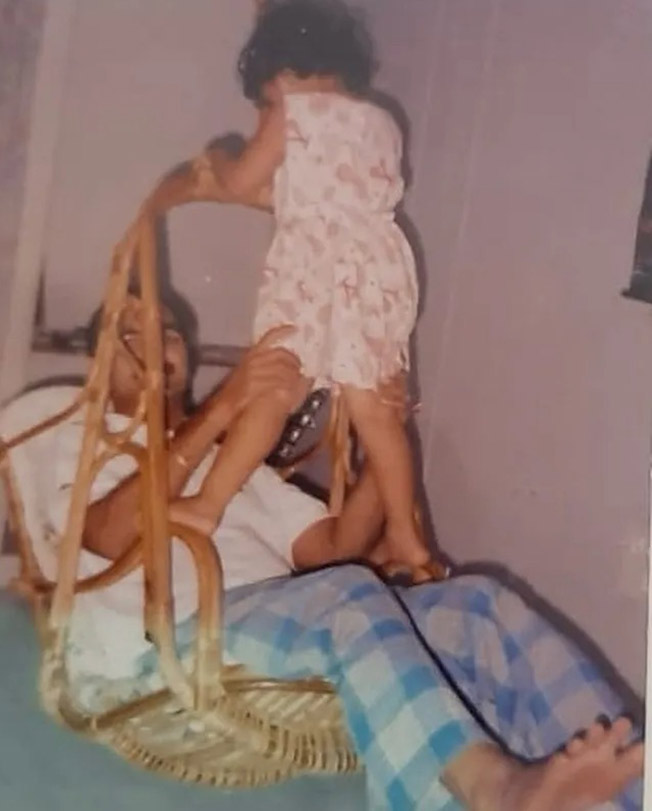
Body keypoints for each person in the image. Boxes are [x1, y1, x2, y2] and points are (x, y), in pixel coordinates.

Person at [38, 294, 643, 811]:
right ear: (95, 361)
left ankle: (629, 785)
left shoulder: (241, 471)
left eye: (169, 332)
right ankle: (495, 789)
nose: (157, 343)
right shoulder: (78, 440)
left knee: (478, 604)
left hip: (291, 622)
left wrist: (389, 434)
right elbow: (103, 537)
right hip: (179, 638)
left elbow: (336, 546)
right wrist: (226, 405)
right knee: (349, 596)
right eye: (129, 334)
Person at [174, 0, 429, 579]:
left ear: (284, 76)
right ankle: (406, 535)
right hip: (380, 266)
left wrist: (222, 155)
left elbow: (242, 184)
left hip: (312, 267)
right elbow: (321, 192)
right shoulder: (384, 122)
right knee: (376, 413)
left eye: (264, 102)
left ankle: (209, 504)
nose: (265, 114)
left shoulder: (293, 113)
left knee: (276, 387)